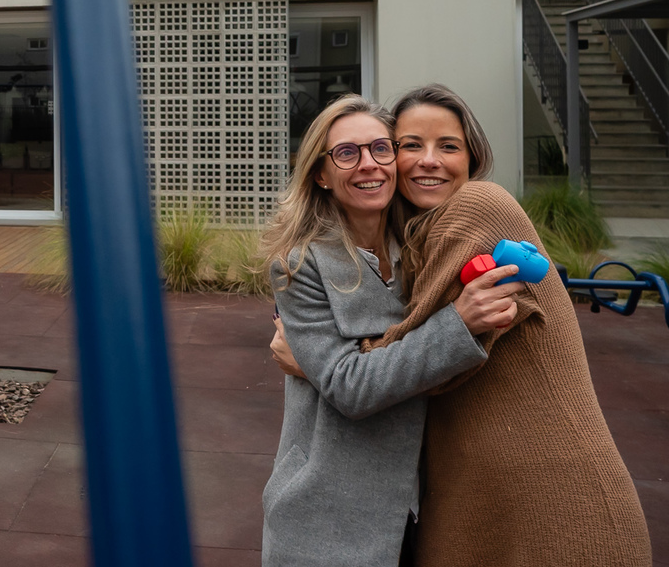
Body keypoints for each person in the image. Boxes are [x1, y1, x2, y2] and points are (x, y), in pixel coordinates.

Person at [270, 84, 652, 566]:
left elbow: (392, 362)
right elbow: (406, 359)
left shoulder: (474, 209)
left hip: (547, 494)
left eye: (448, 146)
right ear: (321, 173)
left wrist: (317, 366)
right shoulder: (395, 245)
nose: (427, 160)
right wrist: (335, 371)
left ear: (473, 158)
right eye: (410, 145)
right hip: (438, 503)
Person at [259, 95, 521, 567]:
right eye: (346, 153)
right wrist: (457, 323)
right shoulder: (300, 265)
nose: (369, 165)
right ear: (321, 173)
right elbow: (349, 387)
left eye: (381, 148)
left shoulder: (420, 253)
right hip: (324, 520)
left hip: (413, 516)